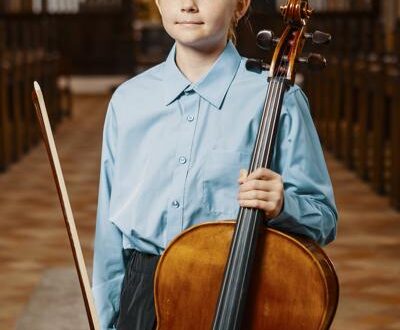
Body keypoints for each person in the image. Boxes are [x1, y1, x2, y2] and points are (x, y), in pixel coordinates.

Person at [91, 0, 338, 329]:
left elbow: (324, 219)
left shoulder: (279, 99)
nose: (188, 6)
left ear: (240, 6)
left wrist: (283, 205)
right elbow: (110, 231)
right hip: (144, 295)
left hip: (238, 287)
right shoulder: (128, 101)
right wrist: (105, 319)